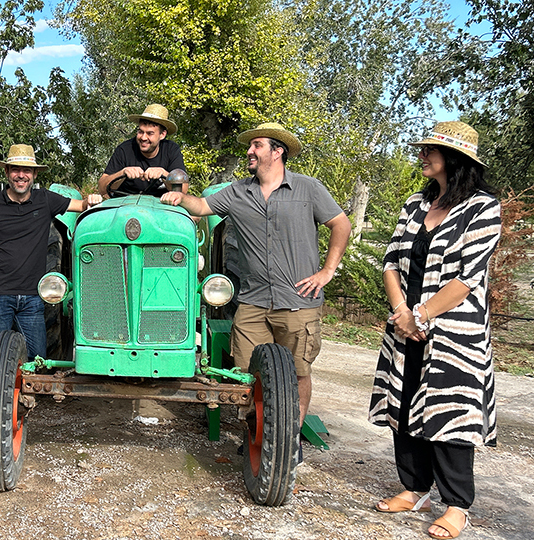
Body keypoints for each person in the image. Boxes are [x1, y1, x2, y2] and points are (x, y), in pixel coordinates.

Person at [160, 122, 351, 432]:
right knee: (247, 372)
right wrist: (180, 198)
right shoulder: (238, 192)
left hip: (298, 299)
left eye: (257, 145)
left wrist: (327, 271)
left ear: (278, 152)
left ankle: (288, 441)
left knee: (298, 372)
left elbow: (341, 224)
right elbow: (204, 205)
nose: (250, 151)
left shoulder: (308, 188)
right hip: (252, 301)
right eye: (250, 146)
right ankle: (258, 434)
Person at [370, 121, 500, 540]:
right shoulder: (414, 203)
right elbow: (390, 262)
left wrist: (420, 315)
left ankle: (457, 506)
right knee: (404, 406)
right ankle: (414, 488)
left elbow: (468, 277)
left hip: (453, 333)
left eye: (430, 150)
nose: (422, 155)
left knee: (451, 415)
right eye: (423, 148)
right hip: (405, 325)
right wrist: (401, 313)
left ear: (456, 160)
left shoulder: (483, 208)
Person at [0, 144, 101, 358]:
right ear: (7, 172)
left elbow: (82, 205)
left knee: (37, 360)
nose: (21, 175)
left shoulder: (45, 199)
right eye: (15, 170)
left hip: (32, 298)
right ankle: (1, 392)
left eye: (26, 170)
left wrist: (92, 200)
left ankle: (29, 392)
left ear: (35, 173)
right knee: (0, 358)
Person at [98, 104, 187, 197]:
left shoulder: (171, 150)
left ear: (162, 135)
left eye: (150, 133)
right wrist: (122, 173)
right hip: (125, 205)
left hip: (161, 206)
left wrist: (164, 174)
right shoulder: (124, 149)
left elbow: (183, 191)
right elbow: (102, 189)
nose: (143, 138)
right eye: (140, 132)